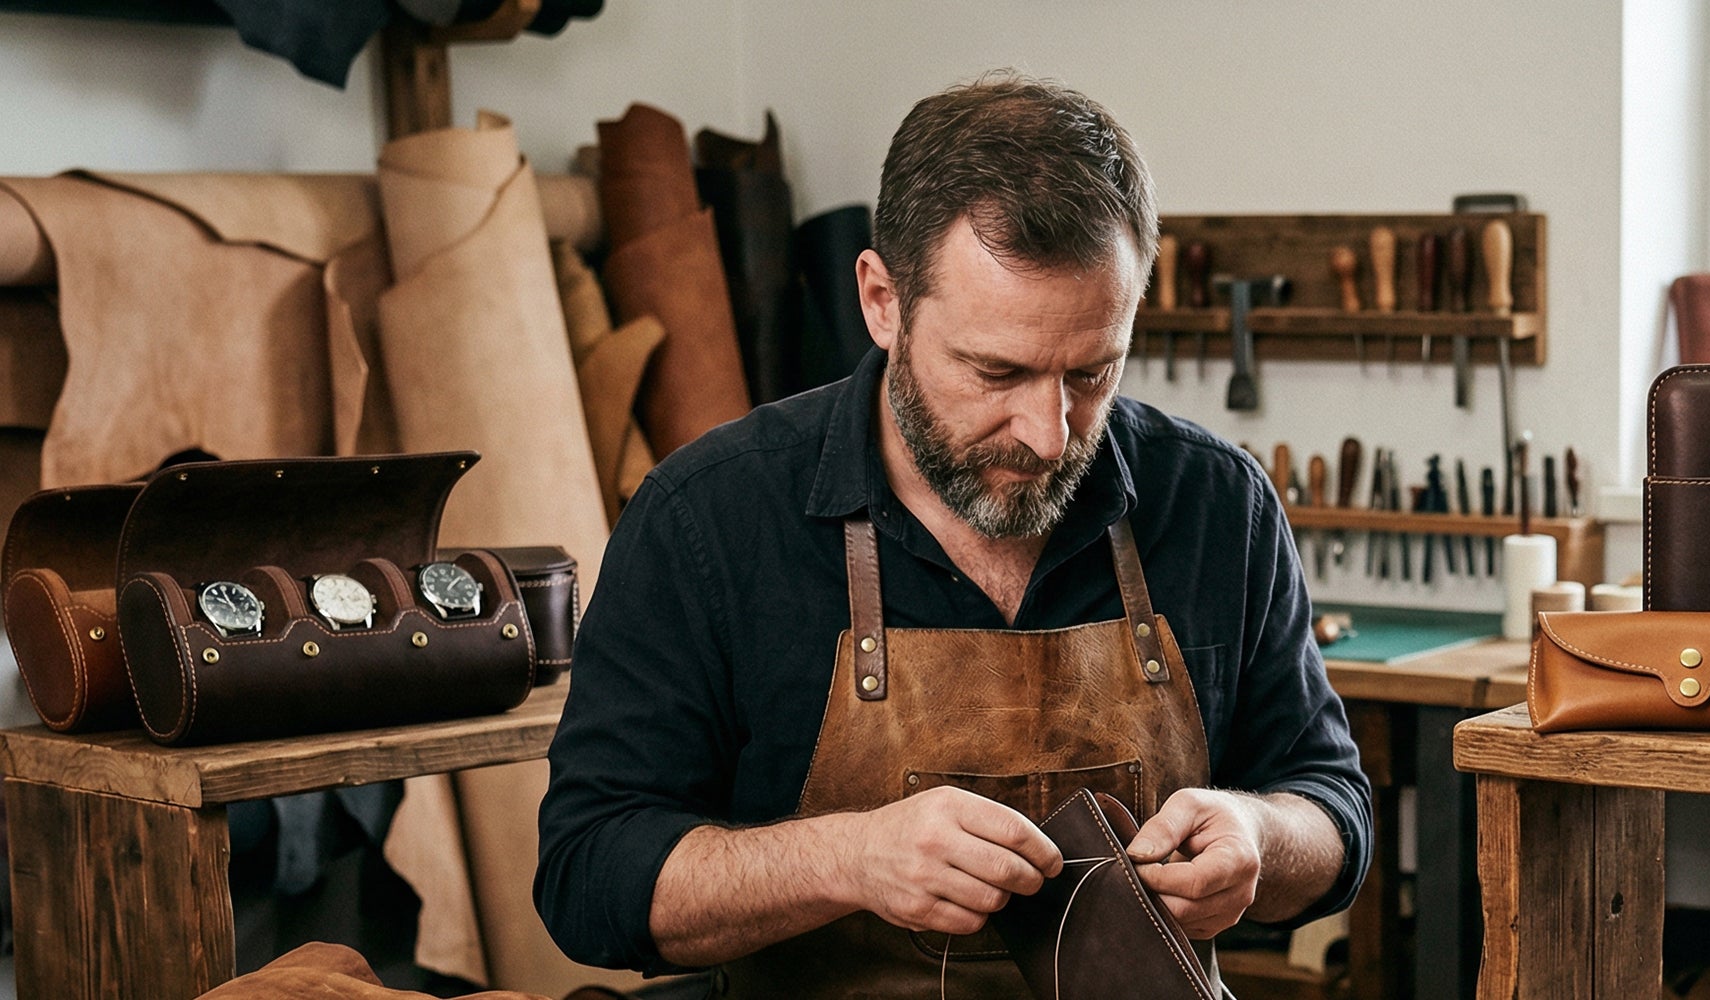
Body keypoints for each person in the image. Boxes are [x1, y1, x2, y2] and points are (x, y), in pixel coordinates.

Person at [534, 72, 1370, 997]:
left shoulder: (1217, 505)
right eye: (996, 370)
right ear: (883, 301)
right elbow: (587, 874)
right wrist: (845, 859)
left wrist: (1260, 837)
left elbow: (1332, 809)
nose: (1048, 434)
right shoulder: (711, 519)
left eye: (1092, 373)